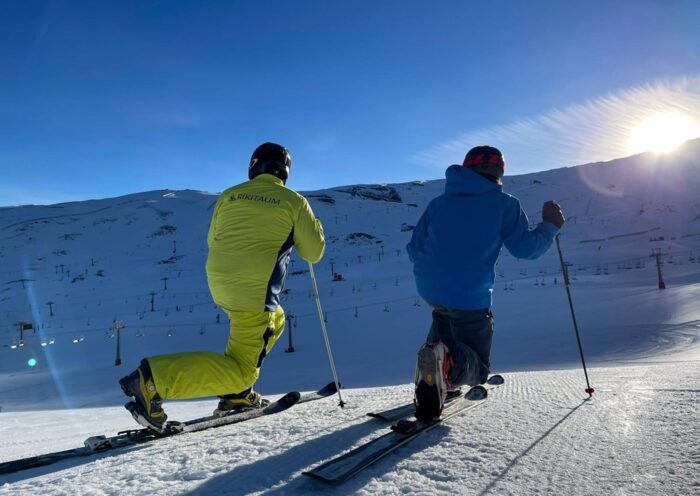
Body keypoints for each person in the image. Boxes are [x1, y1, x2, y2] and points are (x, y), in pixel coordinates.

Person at [119, 142, 325, 431]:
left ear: (254, 166)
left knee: (276, 319)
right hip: (256, 292)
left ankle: (237, 396)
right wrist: (315, 228)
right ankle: (154, 381)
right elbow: (313, 253)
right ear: (286, 171)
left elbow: (213, 239)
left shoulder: (229, 195)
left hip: (221, 282)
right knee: (242, 370)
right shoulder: (293, 200)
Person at [406, 145, 564, 422]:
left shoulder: (439, 203)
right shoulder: (504, 204)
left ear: (466, 168)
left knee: (442, 324)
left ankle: (436, 372)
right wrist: (550, 226)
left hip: (429, 285)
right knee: (477, 368)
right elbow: (526, 250)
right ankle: (446, 366)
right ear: (500, 171)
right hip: (469, 293)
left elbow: (414, 248)